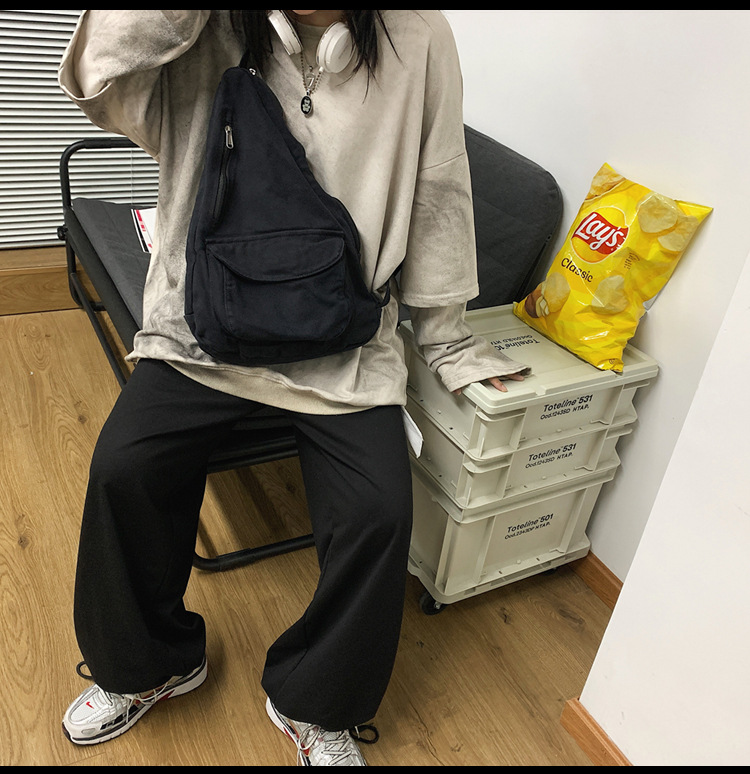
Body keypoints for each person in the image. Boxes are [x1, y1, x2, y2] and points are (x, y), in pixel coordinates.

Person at [57, 10, 529, 766]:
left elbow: (439, 188)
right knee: (124, 468)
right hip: (201, 329)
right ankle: (149, 666)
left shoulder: (419, 37)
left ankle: (316, 703)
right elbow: (96, 74)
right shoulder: (203, 27)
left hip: (343, 343)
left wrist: (446, 340)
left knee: (379, 511)